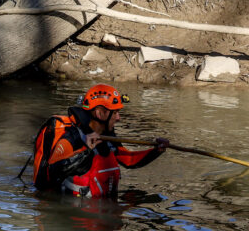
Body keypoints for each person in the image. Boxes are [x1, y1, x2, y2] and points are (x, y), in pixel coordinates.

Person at [31, 84, 169, 198]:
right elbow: (52, 173)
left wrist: (157, 150)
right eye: (115, 112)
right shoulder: (71, 137)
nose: (119, 117)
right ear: (100, 113)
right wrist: (86, 151)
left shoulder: (108, 136)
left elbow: (129, 160)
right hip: (75, 215)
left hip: (101, 211)